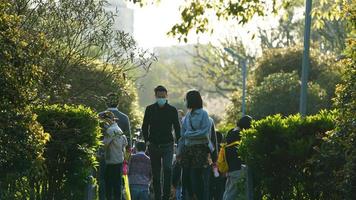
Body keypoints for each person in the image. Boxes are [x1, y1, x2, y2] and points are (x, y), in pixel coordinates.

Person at [142, 85, 181, 200]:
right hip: (153, 145)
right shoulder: (150, 109)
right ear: (155, 96)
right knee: (156, 173)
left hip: (168, 145)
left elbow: (177, 127)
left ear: (166, 96)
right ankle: (158, 196)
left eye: (163, 96)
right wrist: (147, 141)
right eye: (159, 96)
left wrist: (179, 143)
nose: (161, 98)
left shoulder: (172, 110)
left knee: (168, 169)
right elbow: (144, 126)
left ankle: (166, 196)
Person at [180, 90, 212, 200]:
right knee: (186, 177)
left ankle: (200, 197)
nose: (185, 101)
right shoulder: (187, 116)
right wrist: (179, 151)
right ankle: (190, 197)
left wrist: (190, 134)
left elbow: (204, 131)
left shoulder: (204, 114)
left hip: (199, 149)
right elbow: (182, 134)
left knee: (196, 177)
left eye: (187, 99)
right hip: (187, 149)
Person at [222, 115, 253, 200]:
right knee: (232, 194)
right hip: (237, 167)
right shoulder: (240, 135)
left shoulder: (230, 132)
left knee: (228, 191)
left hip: (229, 167)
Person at [100, 111, 128, 200]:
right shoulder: (118, 129)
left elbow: (104, 144)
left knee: (108, 184)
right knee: (117, 185)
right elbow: (125, 142)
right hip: (119, 160)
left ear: (107, 120)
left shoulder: (110, 130)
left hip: (112, 161)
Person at [210, 131, 226, 200]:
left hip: (210, 173)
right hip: (221, 173)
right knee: (220, 193)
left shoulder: (210, 148)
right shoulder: (223, 149)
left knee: (210, 192)